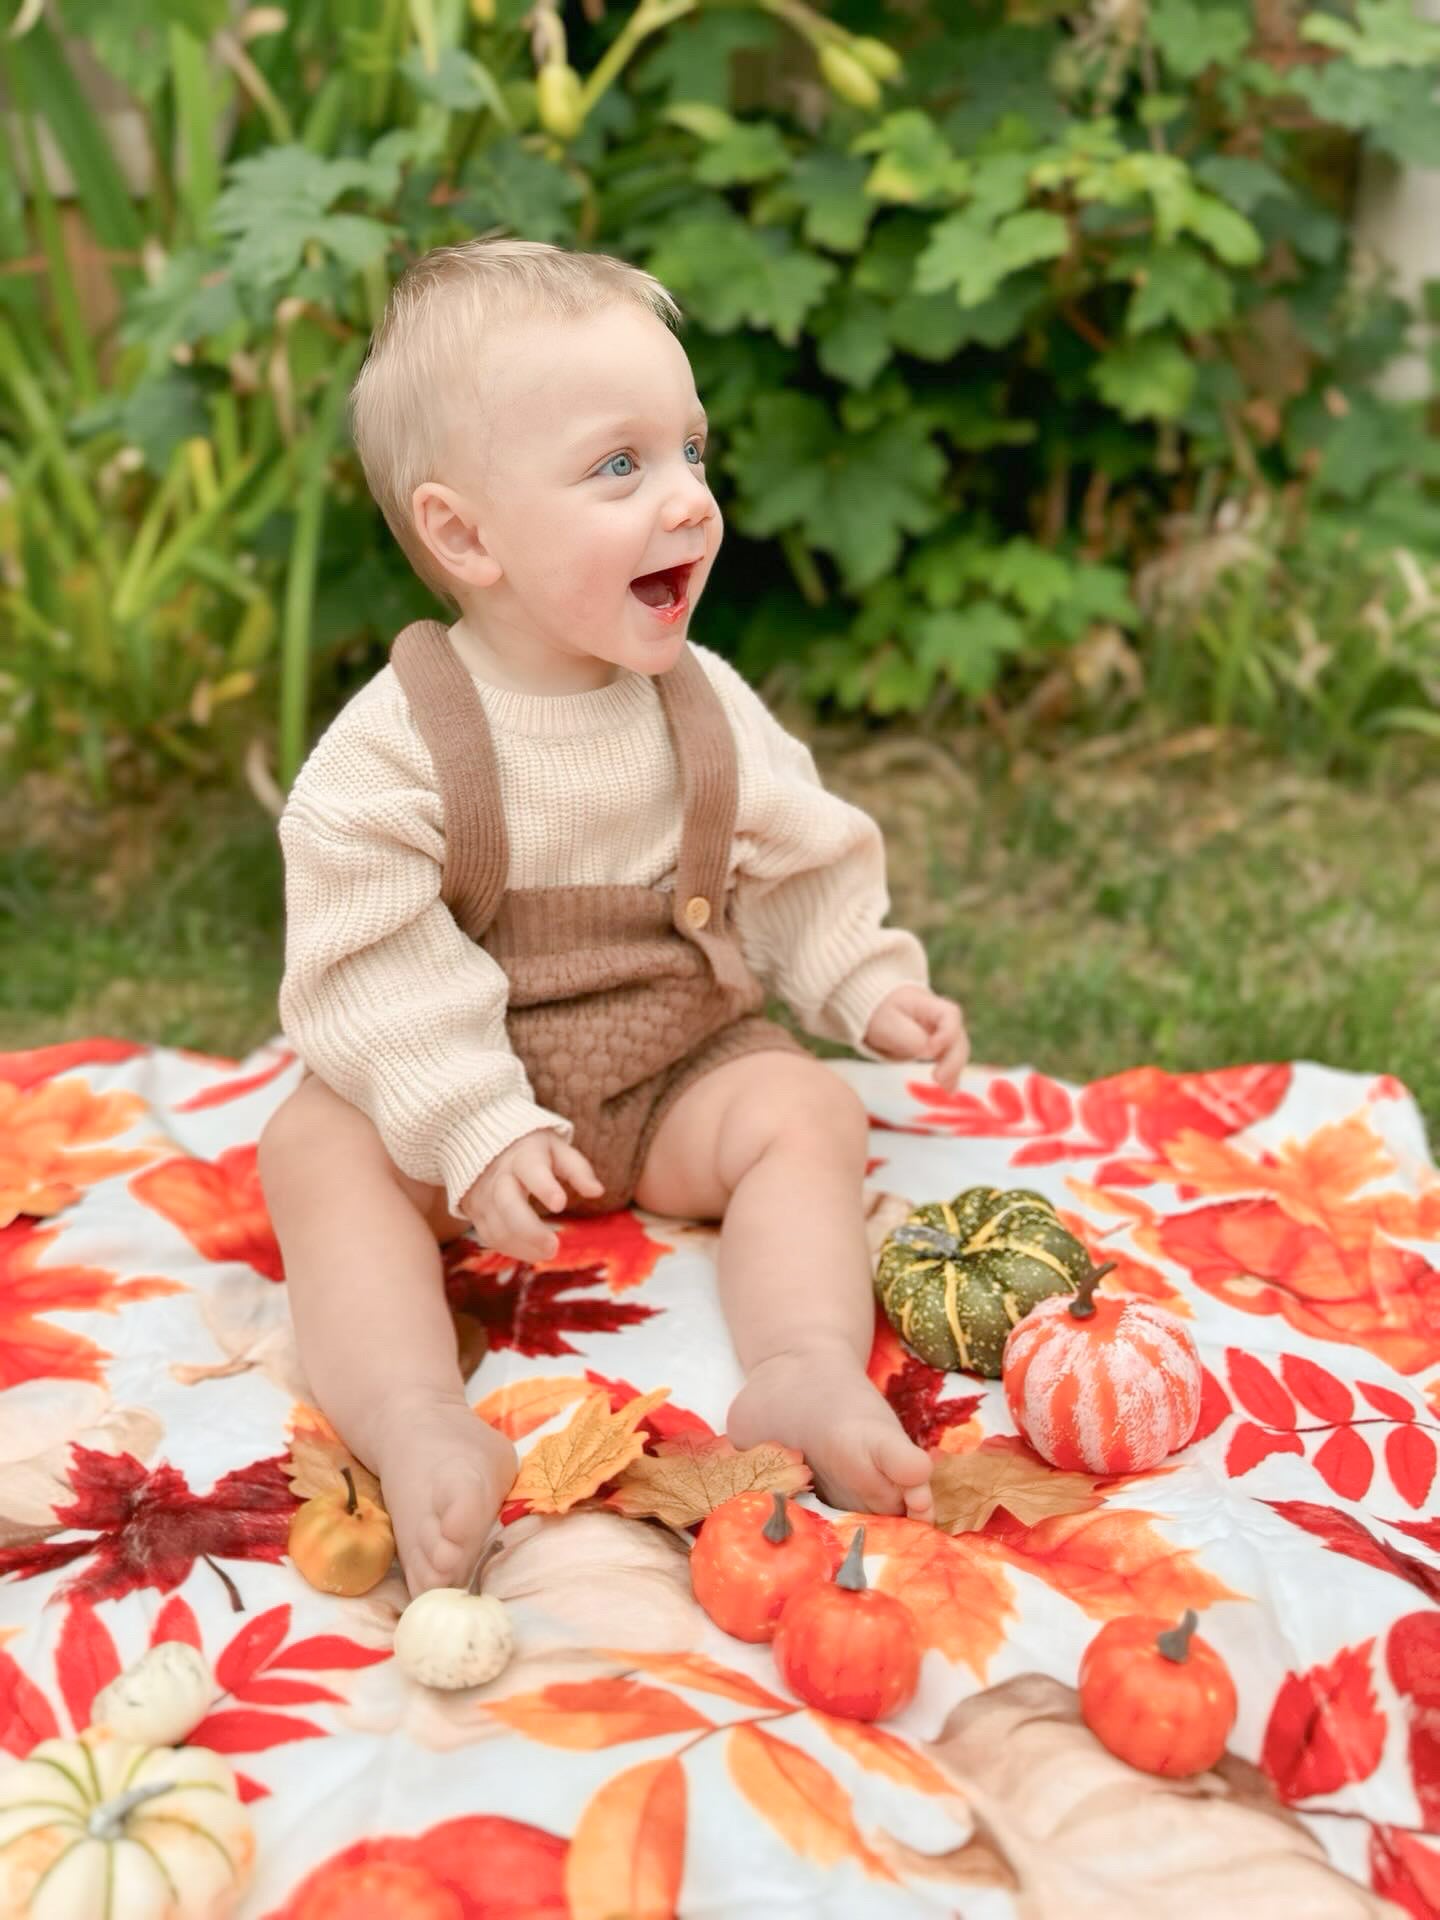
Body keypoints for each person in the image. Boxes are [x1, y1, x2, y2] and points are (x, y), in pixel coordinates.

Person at [258, 238, 970, 1596]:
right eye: (620, 468)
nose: (690, 503)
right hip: (467, 1106)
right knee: (315, 1144)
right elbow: (369, 962)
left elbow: (798, 854)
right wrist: (470, 1120)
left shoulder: (696, 701)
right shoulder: (405, 741)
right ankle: (415, 1421)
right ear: (466, 534)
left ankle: (802, 1369)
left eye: (693, 453)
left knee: (808, 1116)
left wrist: (864, 981)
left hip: (671, 1069)